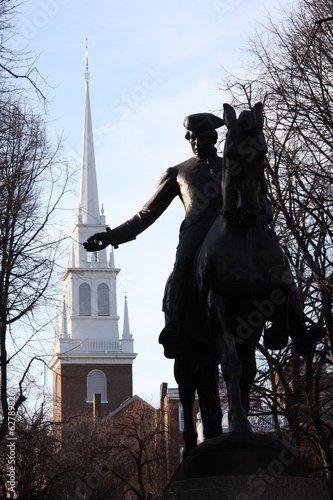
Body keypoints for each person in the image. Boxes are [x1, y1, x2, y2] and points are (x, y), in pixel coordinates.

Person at [84, 112, 225, 358]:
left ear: (212, 138)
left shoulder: (231, 167)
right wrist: (110, 237)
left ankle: (293, 321)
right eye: (190, 138)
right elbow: (146, 214)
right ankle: (174, 323)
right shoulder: (179, 172)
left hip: (228, 228)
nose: (194, 143)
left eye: (199, 137)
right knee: (182, 262)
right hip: (197, 231)